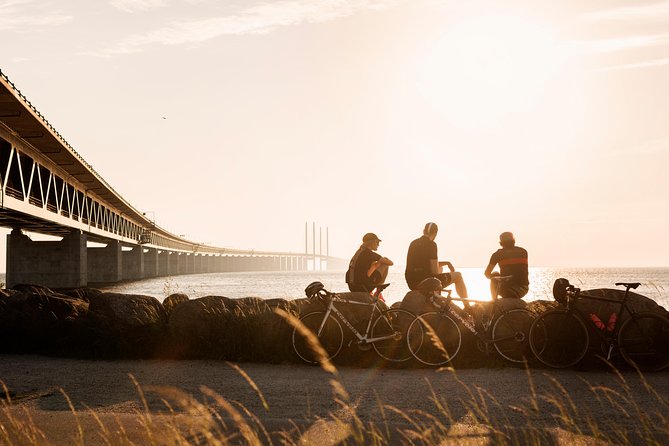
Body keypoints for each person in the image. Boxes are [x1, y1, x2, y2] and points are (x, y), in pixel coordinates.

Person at [405, 222, 469, 299]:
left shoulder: (413, 243)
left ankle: (436, 299)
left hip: (411, 283)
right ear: (435, 233)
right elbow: (434, 271)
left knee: (440, 269)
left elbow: (423, 264)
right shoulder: (432, 244)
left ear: (423, 231)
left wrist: (447, 263)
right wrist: (446, 267)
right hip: (425, 283)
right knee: (458, 276)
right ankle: (467, 306)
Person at [484, 231, 529, 299]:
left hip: (508, 290)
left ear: (501, 242)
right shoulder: (523, 251)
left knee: (494, 275)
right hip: (524, 288)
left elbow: (487, 273)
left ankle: (494, 302)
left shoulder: (497, 254)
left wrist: (497, 279)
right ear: (513, 240)